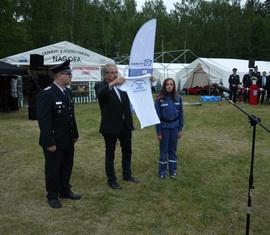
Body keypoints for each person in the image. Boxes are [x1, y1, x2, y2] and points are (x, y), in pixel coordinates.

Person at [36, 60, 81, 208]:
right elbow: (44, 121)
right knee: (53, 168)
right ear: (59, 76)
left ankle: (65, 190)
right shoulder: (47, 94)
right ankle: (52, 195)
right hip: (54, 140)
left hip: (67, 138)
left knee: (67, 165)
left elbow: (70, 116)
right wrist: (49, 142)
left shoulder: (67, 92)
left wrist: (74, 133)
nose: (71, 77)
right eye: (69, 74)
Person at [94, 63, 140, 190]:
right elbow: (100, 94)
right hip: (111, 126)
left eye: (116, 72)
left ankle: (127, 174)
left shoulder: (122, 86)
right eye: (113, 73)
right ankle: (112, 180)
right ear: (106, 74)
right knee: (110, 154)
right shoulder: (101, 85)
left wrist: (150, 80)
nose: (115, 75)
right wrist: (113, 84)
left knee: (127, 151)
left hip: (125, 124)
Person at [155, 78, 184, 180]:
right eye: (167, 84)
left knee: (173, 150)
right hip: (164, 128)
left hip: (175, 128)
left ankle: (173, 171)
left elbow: (181, 115)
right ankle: (162, 172)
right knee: (164, 151)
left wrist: (180, 129)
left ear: (174, 86)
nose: (169, 86)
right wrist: (159, 132)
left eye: (171, 84)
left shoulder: (178, 98)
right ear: (164, 86)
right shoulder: (159, 99)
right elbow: (157, 117)